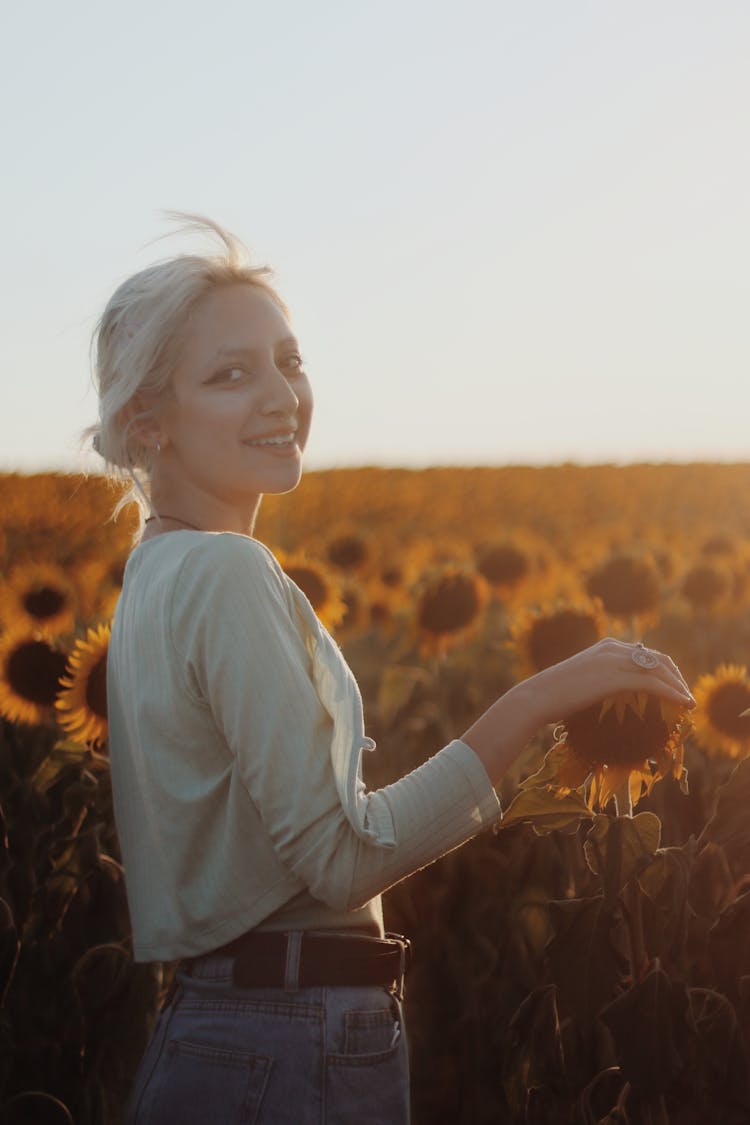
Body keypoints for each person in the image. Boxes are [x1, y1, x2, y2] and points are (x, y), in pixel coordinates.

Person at [89, 213, 695, 1125]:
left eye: (288, 361)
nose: (279, 395)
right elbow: (342, 856)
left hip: (228, 1027)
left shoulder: (155, 574)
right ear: (148, 423)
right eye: (230, 373)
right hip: (287, 1041)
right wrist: (540, 697)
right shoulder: (224, 570)